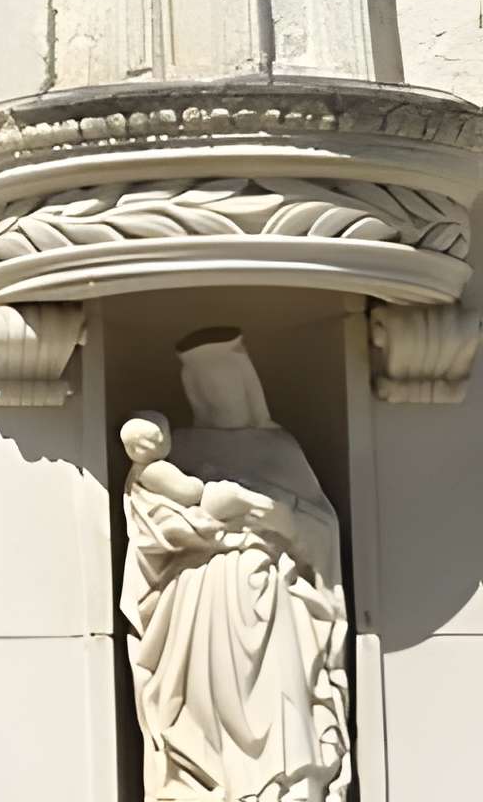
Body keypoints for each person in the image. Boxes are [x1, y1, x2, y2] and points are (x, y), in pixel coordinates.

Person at [119, 333, 351, 802]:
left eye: (219, 381)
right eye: (198, 384)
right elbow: (149, 522)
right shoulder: (176, 452)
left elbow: (322, 532)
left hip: (272, 599)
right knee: (203, 724)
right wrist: (207, 518)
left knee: (285, 705)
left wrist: (280, 514)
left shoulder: (280, 448)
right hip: (201, 607)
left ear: (245, 384)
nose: (209, 393)